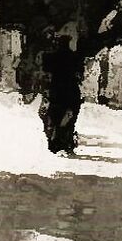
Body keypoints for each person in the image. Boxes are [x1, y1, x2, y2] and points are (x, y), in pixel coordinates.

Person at [37, 25, 86, 156]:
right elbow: (80, 74)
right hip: (71, 91)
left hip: (56, 91)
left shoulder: (50, 57)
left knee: (54, 117)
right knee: (70, 117)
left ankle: (54, 142)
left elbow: (45, 72)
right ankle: (67, 141)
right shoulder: (75, 57)